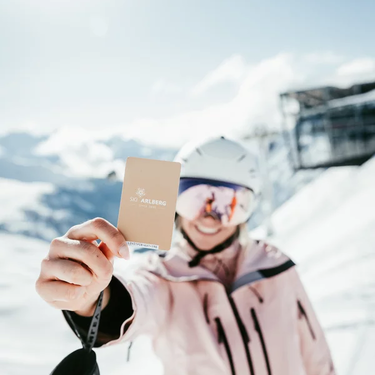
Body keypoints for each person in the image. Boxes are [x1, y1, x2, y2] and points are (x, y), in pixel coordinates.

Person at [36, 136, 335, 375]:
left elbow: (315, 353)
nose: (209, 217)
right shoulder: (162, 277)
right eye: (196, 199)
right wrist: (93, 298)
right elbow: (138, 302)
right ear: (175, 204)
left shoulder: (277, 267)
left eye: (228, 203)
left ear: (247, 211)